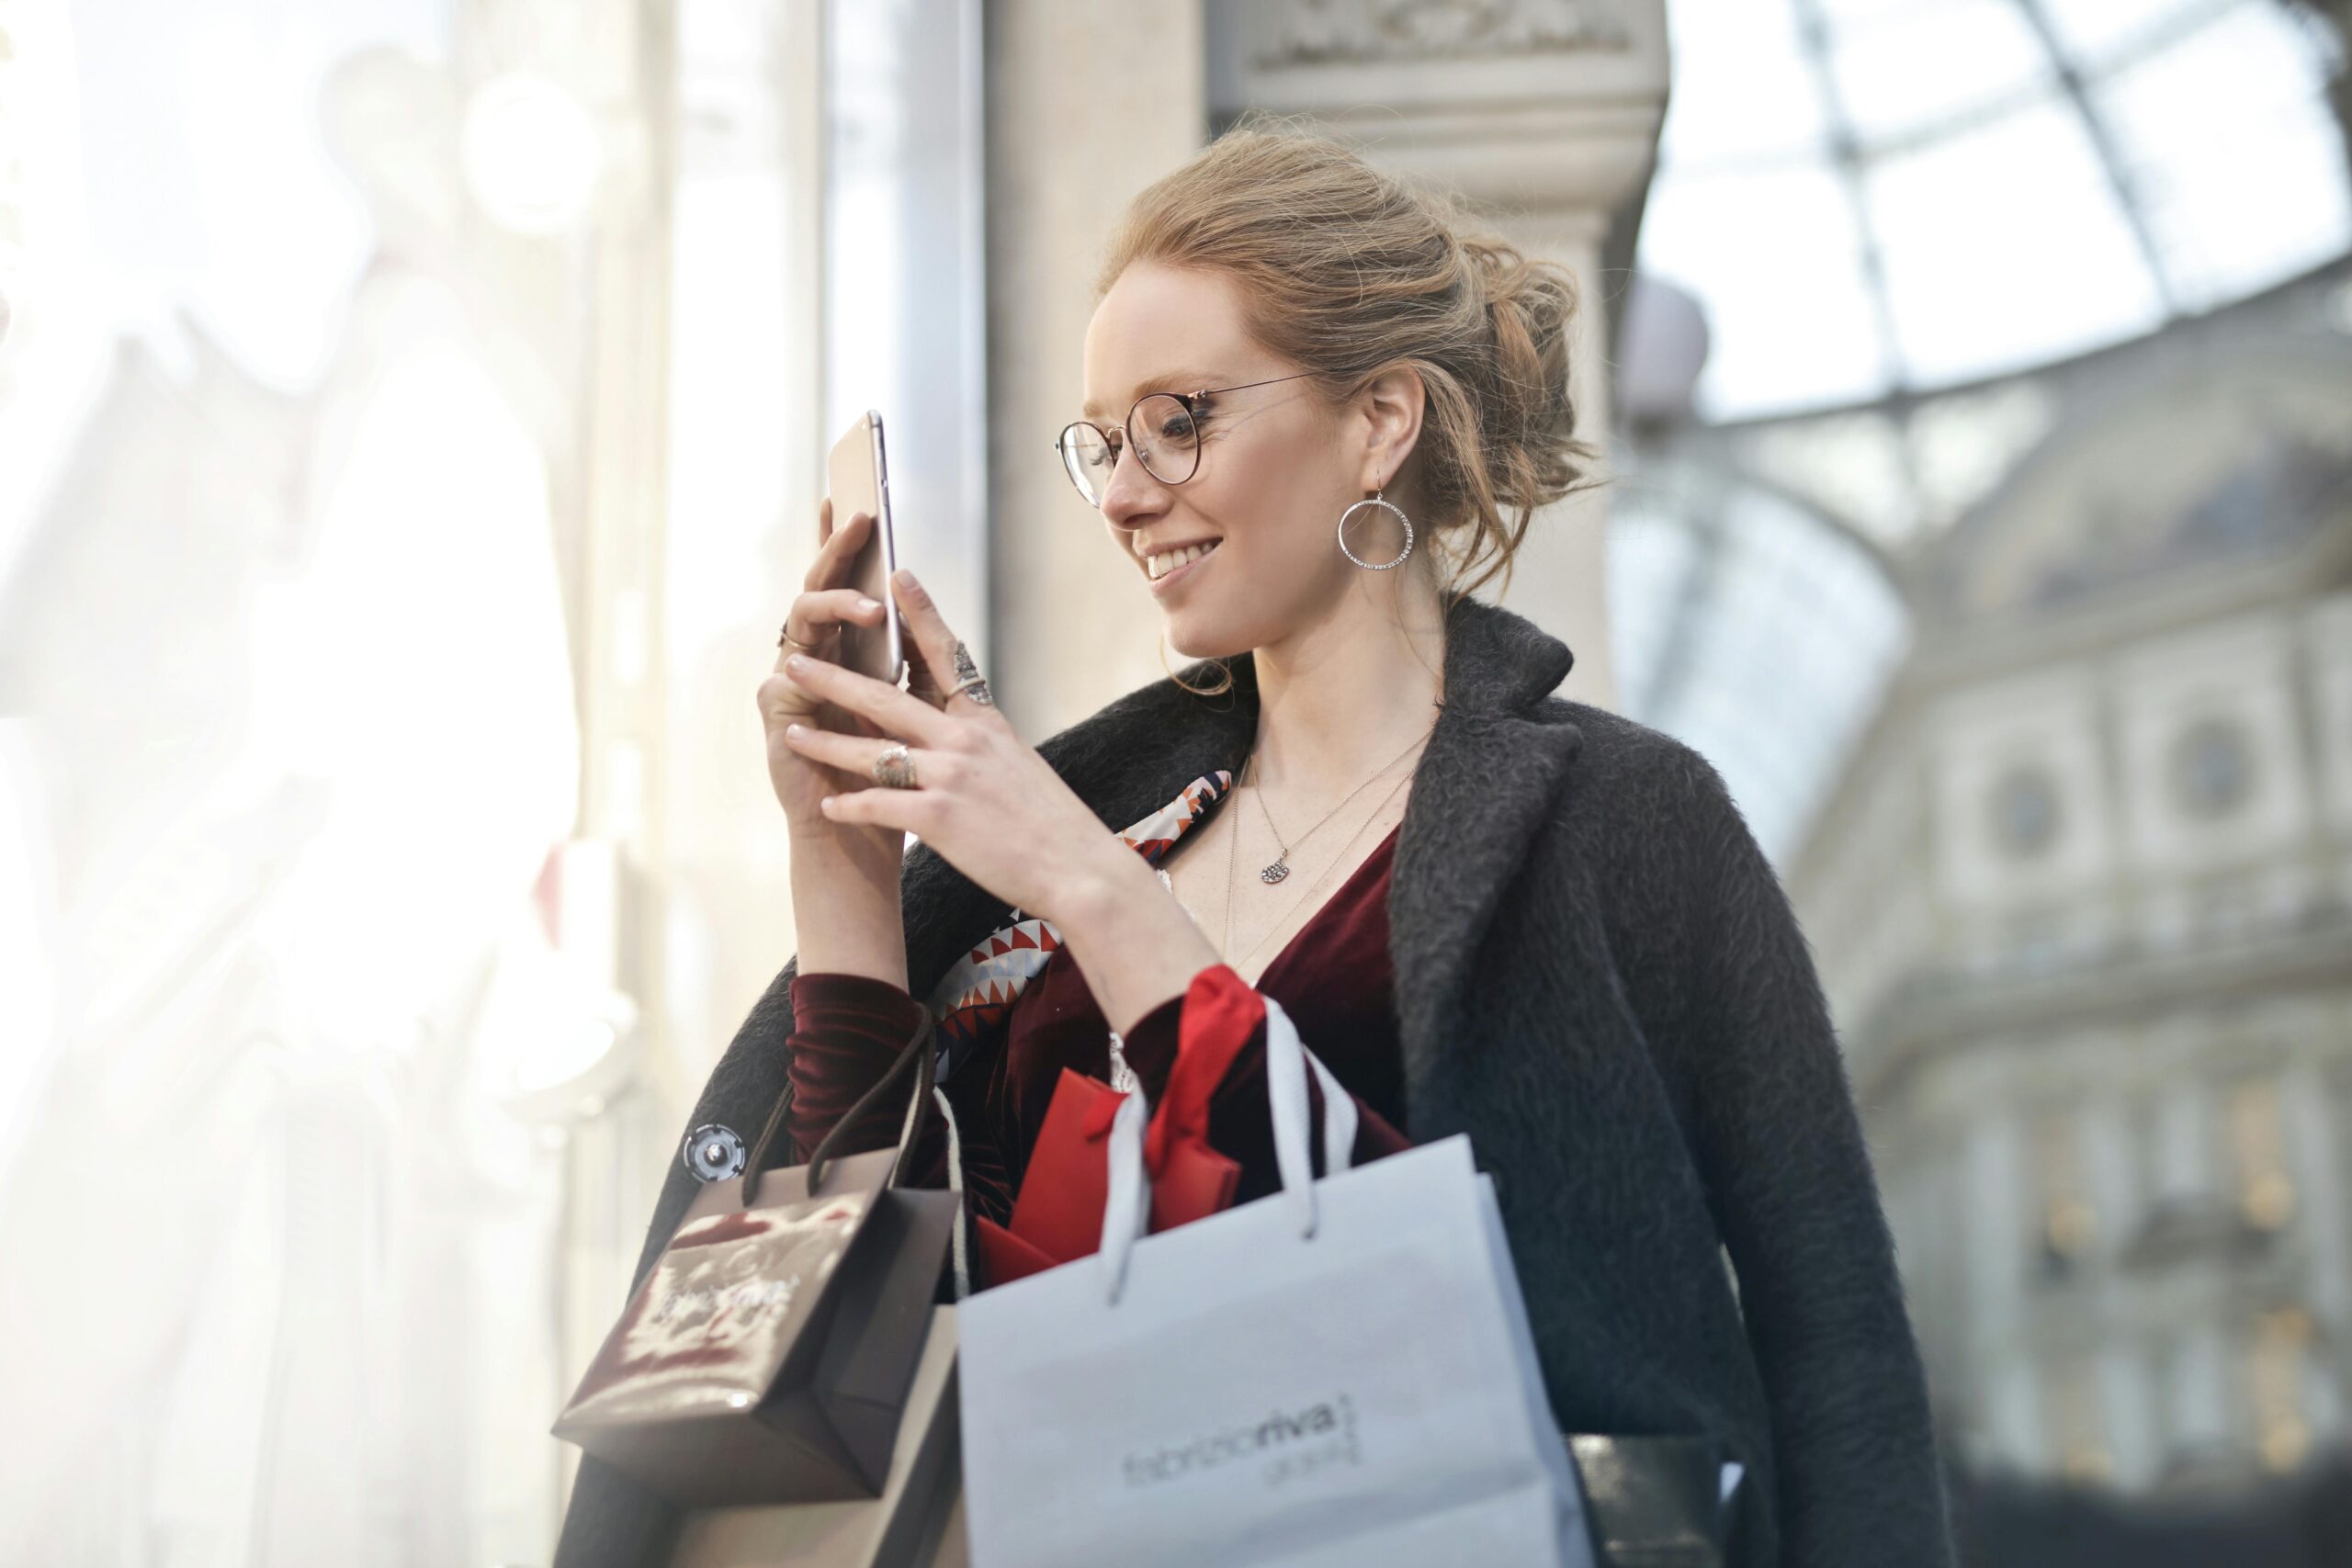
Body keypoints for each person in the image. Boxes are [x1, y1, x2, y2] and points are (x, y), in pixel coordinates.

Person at [556, 126, 1956, 1568]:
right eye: (1103, 440)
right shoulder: (1093, 823)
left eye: (1181, 419)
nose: (1119, 492)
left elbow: (1835, 1344)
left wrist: (1091, 888)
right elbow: (865, 1306)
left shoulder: (1630, 822)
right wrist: (842, 865)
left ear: (1380, 420)